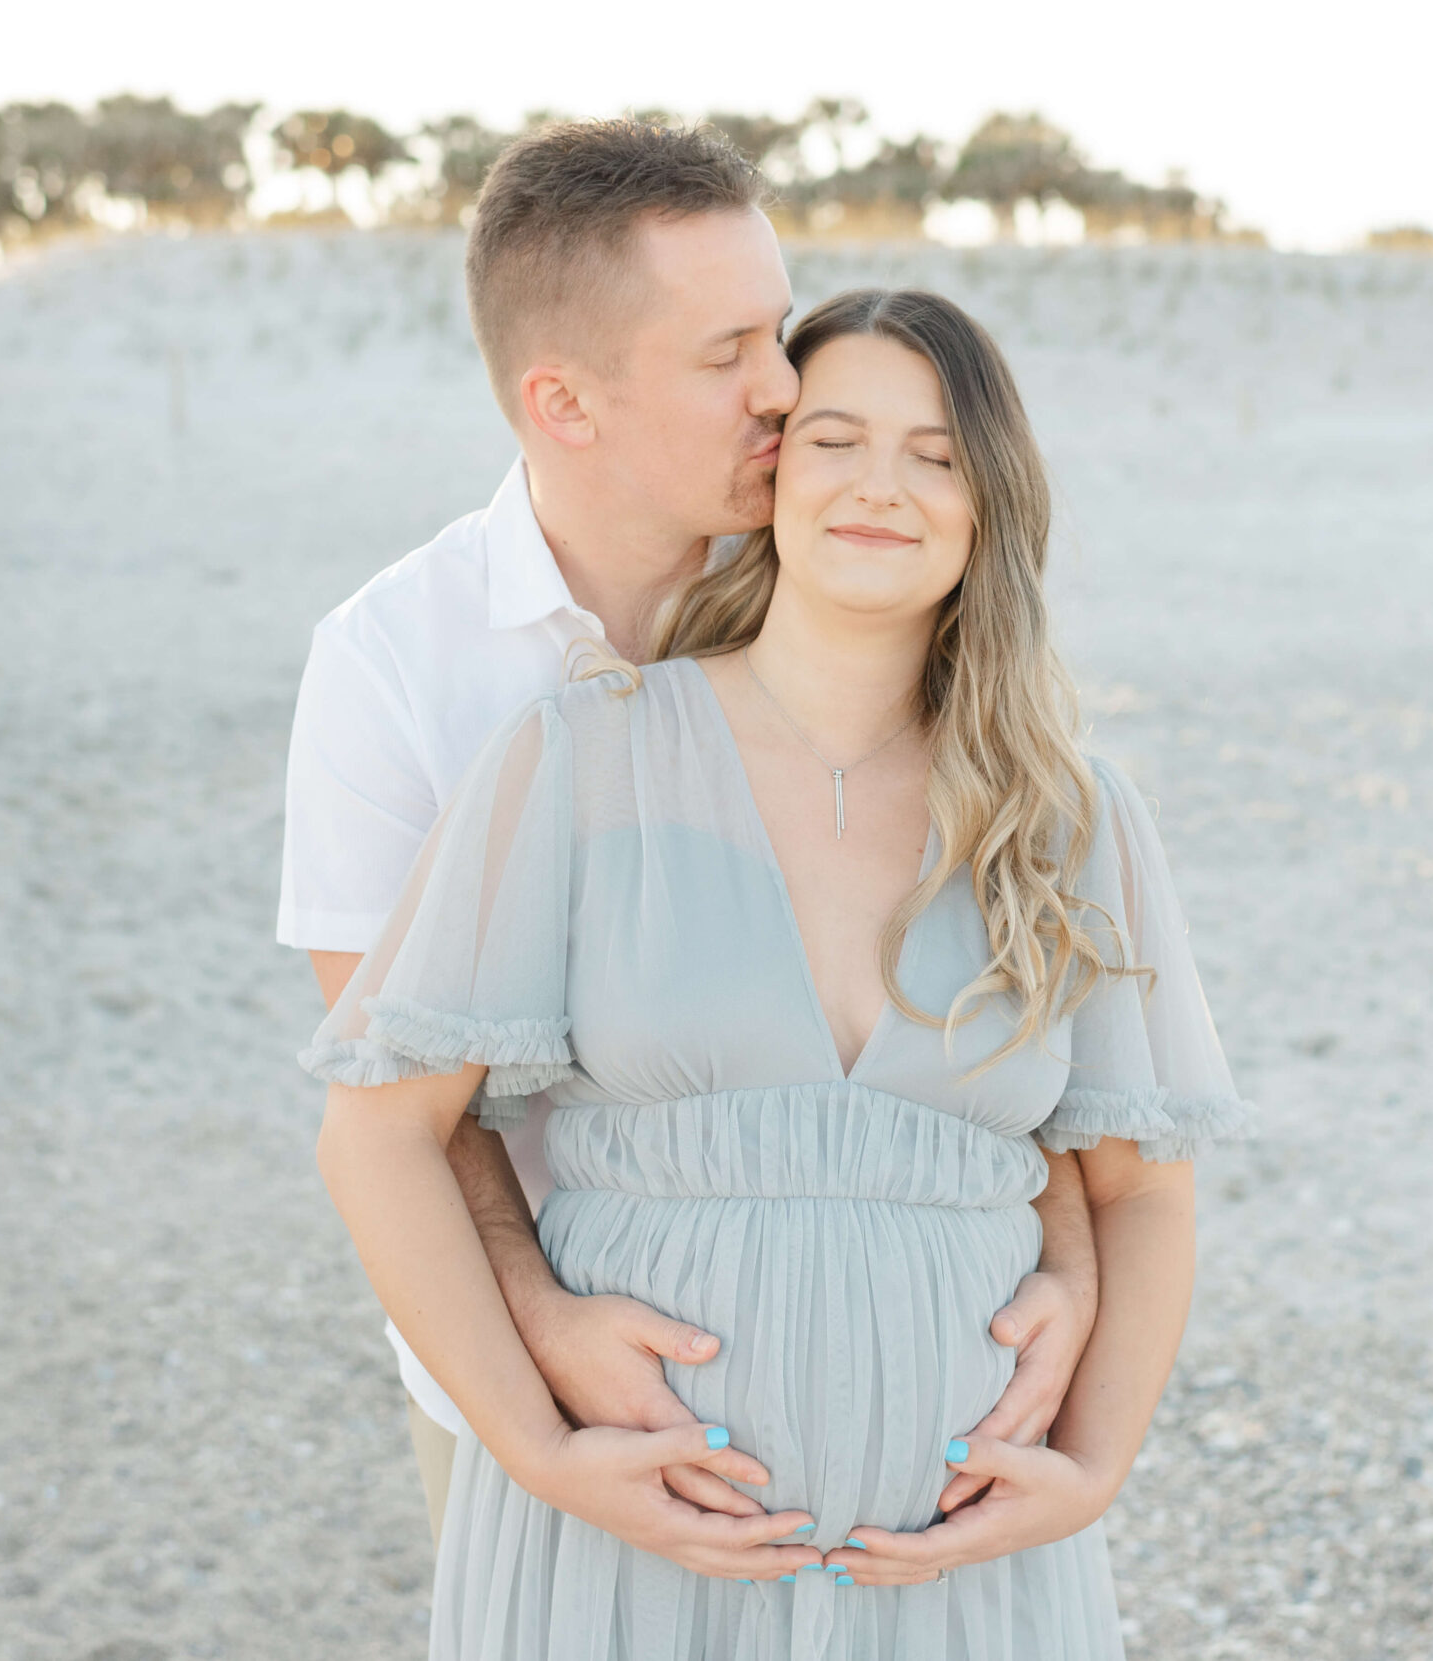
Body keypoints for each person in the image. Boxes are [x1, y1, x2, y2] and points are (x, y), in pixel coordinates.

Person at [304, 286, 1245, 1659]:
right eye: (837, 440)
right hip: (627, 1547)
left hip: (959, 1573)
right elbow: (380, 1133)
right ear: (771, 477)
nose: (882, 486)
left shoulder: (1069, 823)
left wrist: (1093, 1471)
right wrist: (539, 1449)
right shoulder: (586, 759)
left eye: (935, 455)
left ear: (991, 504)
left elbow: (1146, 1187)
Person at [276, 120, 1098, 1553]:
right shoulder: (395, 663)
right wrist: (543, 1336)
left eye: (777, 333)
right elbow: (400, 1096)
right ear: (566, 402)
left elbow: (1017, 935)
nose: (786, 390)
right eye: (728, 355)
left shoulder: (849, 553)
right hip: (547, 1382)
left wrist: (1073, 1265)